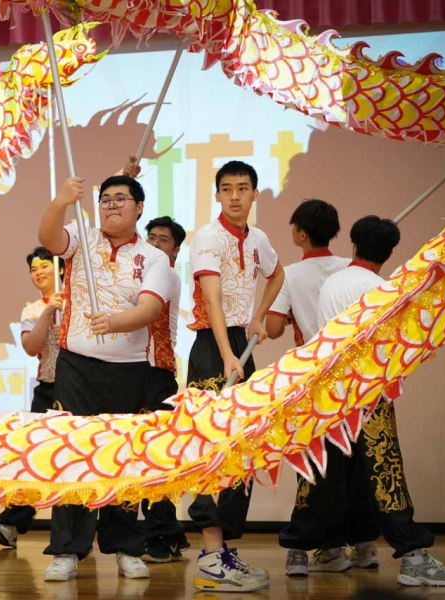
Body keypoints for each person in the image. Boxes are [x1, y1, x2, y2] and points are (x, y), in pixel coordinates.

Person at [312, 216, 445, 588]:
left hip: (331, 395)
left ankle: (334, 550)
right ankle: (413, 558)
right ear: (389, 253)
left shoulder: (332, 284)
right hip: (367, 395)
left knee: (344, 477)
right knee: (386, 474)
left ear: (353, 245)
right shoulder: (382, 289)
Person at [38, 173, 176, 582]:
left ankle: (125, 547)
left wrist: (113, 322)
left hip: (129, 370)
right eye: (105, 199)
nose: (112, 205)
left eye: (121, 198)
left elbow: (150, 310)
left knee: (123, 457)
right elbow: (48, 237)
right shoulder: (81, 237)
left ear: (139, 207)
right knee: (71, 454)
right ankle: (67, 550)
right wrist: (61, 200)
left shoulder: (154, 258)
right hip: (76, 366)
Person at [186, 161, 284, 593]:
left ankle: (223, 550)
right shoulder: (208, 237)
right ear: (217, 195)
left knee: (244, 447)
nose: (235, 196)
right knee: (212, 446)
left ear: (254, 194)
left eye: (243, 188)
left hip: (240, 346)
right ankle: (210, 554)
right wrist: (227, 355)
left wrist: (259, 317)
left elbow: (277, 274)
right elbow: (212, 300)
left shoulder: (258, 238)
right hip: (213, 349)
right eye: (226, 189)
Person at [265, 200, 377, 576]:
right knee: (357, 461)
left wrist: (282, 315)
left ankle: (302, 549)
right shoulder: (352, 268)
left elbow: (273, 329)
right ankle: (363, 546)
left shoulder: (291, 275)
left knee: (314, 462)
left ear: (300, 234)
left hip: (313, 382)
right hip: (357, 381)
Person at [0, 247, 65, 550]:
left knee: (70, 458)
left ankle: (71, 536)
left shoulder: (79, 300)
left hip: (79, 388)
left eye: (45, 266)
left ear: (60, 268)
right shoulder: (31, 310)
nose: (38, 272)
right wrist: (47, 311)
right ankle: (11, 522)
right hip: (47, 389)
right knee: (32, 455)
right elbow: (32, 348)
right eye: (33, 269)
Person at [139, 216, 190, 563]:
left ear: (176, 250)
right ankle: (169, 533)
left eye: (163, 240)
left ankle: (160, 535)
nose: (156, 245)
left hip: (156, 372)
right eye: (151, 238)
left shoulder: (166, 275)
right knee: (143, 455)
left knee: (154, 456)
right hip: (137, 372)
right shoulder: (145, 273)